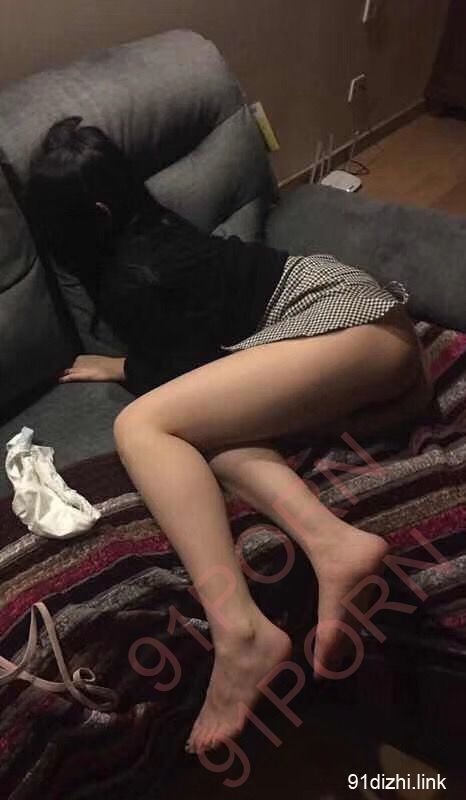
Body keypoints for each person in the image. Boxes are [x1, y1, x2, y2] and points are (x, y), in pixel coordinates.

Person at [28, 116, 433, 755]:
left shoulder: (138, 273)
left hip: (352, 324)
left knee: (142, 424)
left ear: (94, 218)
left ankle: (238, 629)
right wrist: (127, 364)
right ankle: (334, 547)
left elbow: (185, 368)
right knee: (201, 436)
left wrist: (127, 370)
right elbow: (203, 358)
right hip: (363, 346)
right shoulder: (151, 231)